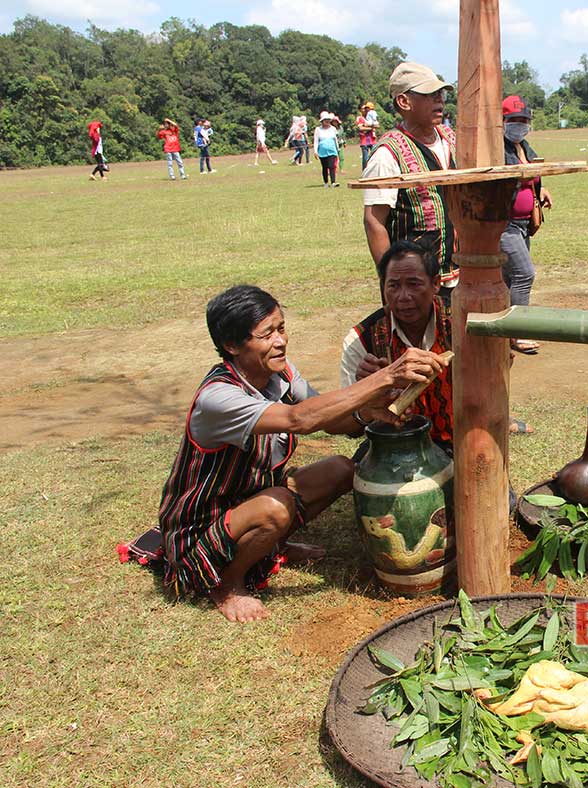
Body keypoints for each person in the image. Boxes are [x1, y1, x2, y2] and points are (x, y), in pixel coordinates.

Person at [158, 284, 444, 623]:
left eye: (281, 328)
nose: (280, 341)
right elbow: (301, 418)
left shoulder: (280, 372)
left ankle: (268, 546)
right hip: (200, 530)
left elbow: (329, 419)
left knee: (340, 469)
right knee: (278, 505)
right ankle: (227, 584)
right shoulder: (217, 398)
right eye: (266, 335)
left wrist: (368, 413)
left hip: (247, 500)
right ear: (232, 345)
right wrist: (387, 376)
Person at [361, 62, 458, 307]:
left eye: (441, 94)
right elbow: (374, 221)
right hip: (418, 285)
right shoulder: (387, 154)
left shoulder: (453, 139)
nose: (439, 100)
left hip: (461, 272)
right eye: (429, 94)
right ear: (404, 102)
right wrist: (392, 282)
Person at [342, 241, 455, 446]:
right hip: (394, 450)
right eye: (393, 286)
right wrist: (367, 391)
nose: (403, 297)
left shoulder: (461, 322)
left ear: (436, 283)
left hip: (461, 443)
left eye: (414, 284)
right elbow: (348, 427)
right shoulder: (361, 340)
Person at [499, 95, 554, 354]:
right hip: (504, 224)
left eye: (523, 120)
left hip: (522, 223)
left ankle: (504, 332)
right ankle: (518, 334)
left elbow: (533, 172)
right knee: (524, 274)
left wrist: (541, 190)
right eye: (513, 120)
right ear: (502, 122)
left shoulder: (523, 146)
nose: (519, 125)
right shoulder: (498, 148)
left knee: (510, 278)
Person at [313, 111, 343, 188]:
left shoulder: (333, 129)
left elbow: (335, 139)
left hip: (332, 150)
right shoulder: (318, 129)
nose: (327, 121)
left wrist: (337, 149)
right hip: (322, 152)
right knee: (325, 167)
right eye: (325, 119)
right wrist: (315, 151)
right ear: (322, 121)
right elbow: (316, 141)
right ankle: (326, 182)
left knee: (332, 166)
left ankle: (333, 182)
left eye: (328, 119)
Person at [357, 101, 379, 170]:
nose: (365, 110)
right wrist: (371, 127)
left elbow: (377, 125)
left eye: (366, 108)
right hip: (364, 140)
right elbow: (361, 128)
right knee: (365, 158)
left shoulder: (371, 116)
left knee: (375, 157)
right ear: (360, 110)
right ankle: (364, 172)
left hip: (372, 140)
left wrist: (367, 127)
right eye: (363, 108)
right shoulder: (360, 118)